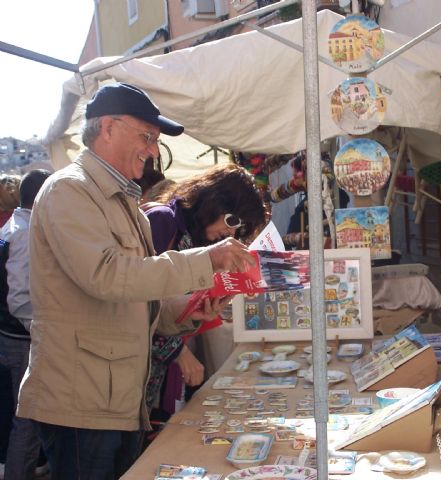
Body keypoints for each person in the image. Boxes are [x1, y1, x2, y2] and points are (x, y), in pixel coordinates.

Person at [15, 82, 255, 480]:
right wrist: (206, 259)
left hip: (116, 402)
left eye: (155, 140)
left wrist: (190, 312)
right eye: (146, 136)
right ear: (107, 128)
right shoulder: (68, 190)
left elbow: (138, 300)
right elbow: (108, 277)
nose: (153, 150)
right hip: (81, 404)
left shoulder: (121, 200)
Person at [142, 163, 266, 425]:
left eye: (239, 229)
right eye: (232, 220)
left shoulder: (195, 237)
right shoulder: (163, 220)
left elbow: (174, 308)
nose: (232, 232)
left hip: (158, 380)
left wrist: (204, 310)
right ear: (211, 199)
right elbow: (138, 301)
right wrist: (179, 353)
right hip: (133, 378)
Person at [0, 169, 51, 480]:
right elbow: (19, 297)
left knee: (20, 413)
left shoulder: (13, 226)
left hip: (10, 334)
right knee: (29, 417)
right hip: (21, 338)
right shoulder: (26, 231)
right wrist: (44, 331)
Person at [0, 174, 21, 479]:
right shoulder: (20, 229)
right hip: (17, 329)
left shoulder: (9, 229)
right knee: (22, 411)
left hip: (5, 326)